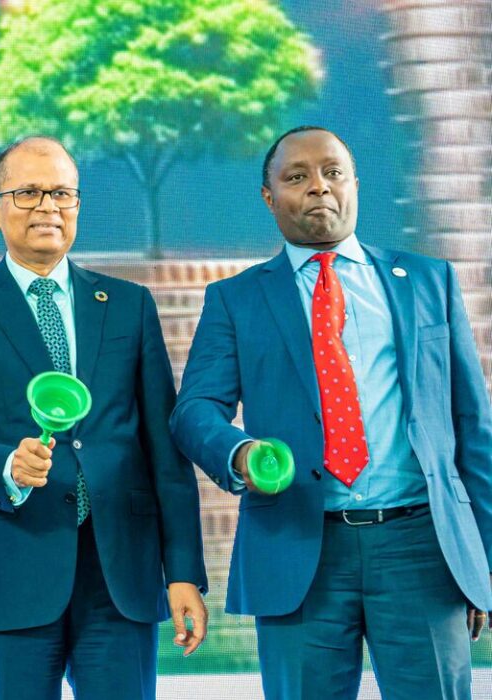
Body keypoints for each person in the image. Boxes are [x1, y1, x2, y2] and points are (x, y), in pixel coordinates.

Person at [170, 125, 492, 699]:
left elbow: (473, 427)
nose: (319, 187)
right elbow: (194, 410)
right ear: (269, 197)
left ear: (354, 184)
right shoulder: (236, 299)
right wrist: (239, 452)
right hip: (299, 546)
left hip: (422, 547)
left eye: (332, 172)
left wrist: (482, 561)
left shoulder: (427, 281)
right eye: (297, 177)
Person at [0, 135, 208, 700]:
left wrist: (185, 573)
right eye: (29, 193)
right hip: (8, 568)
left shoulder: (129, 305)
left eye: (62, 194)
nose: (48, 206)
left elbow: (165, 456)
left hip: (119, 575)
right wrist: (4, 465)